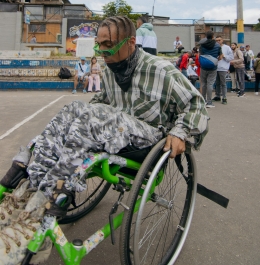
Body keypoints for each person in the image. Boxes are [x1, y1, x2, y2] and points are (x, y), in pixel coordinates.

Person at [0, 16, 209, 264]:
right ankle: (31, 182)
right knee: (74, 107)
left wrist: (180, 131)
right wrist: (79, 116)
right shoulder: (111, 69)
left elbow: (197, 105)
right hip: (116, 131)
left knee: (95, 114)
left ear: (131, 42)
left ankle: (52, 197)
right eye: (99, 44)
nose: (102, 50)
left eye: (108, 44)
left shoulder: (160, 70)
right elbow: (102, 102)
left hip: (149, 138)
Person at [199, 31, 222, 108]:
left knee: (204, 83)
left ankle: (203, 101)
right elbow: (221, 57)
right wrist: (215, 61)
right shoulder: (217, 45)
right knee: (210, 84)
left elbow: (200, 55)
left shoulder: (202, 45)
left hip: (204, 66)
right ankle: (209, 102)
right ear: (213, 36)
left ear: (206, 36)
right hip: (213, 67)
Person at [212, 36, 234, 105]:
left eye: (219, 40)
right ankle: (218, 95)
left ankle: (224, 97)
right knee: (217, 83)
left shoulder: (227, 48)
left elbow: (231, 57)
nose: (218, 41)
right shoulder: (214, 47)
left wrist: (224, 56)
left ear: (222, 40)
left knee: (223, 83)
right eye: (216, 40)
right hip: (216, 67)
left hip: (223, 68)